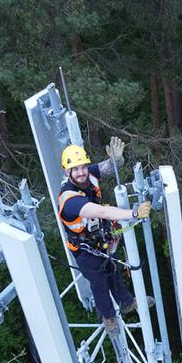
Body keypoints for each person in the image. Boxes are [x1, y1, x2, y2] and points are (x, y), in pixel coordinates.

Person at [58, 137, 153, 337]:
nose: (82, 172)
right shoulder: (69, 200)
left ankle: (126, 302)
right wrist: (133, 213)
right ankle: (108, 316)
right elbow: (102, 213)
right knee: (99, 282)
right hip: (84, 249)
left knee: (112, 269)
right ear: (68, 172)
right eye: (76, 169)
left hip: (100, 239)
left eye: (83, 167)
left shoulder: (88, 175)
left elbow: (108, 168)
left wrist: (116, 161)